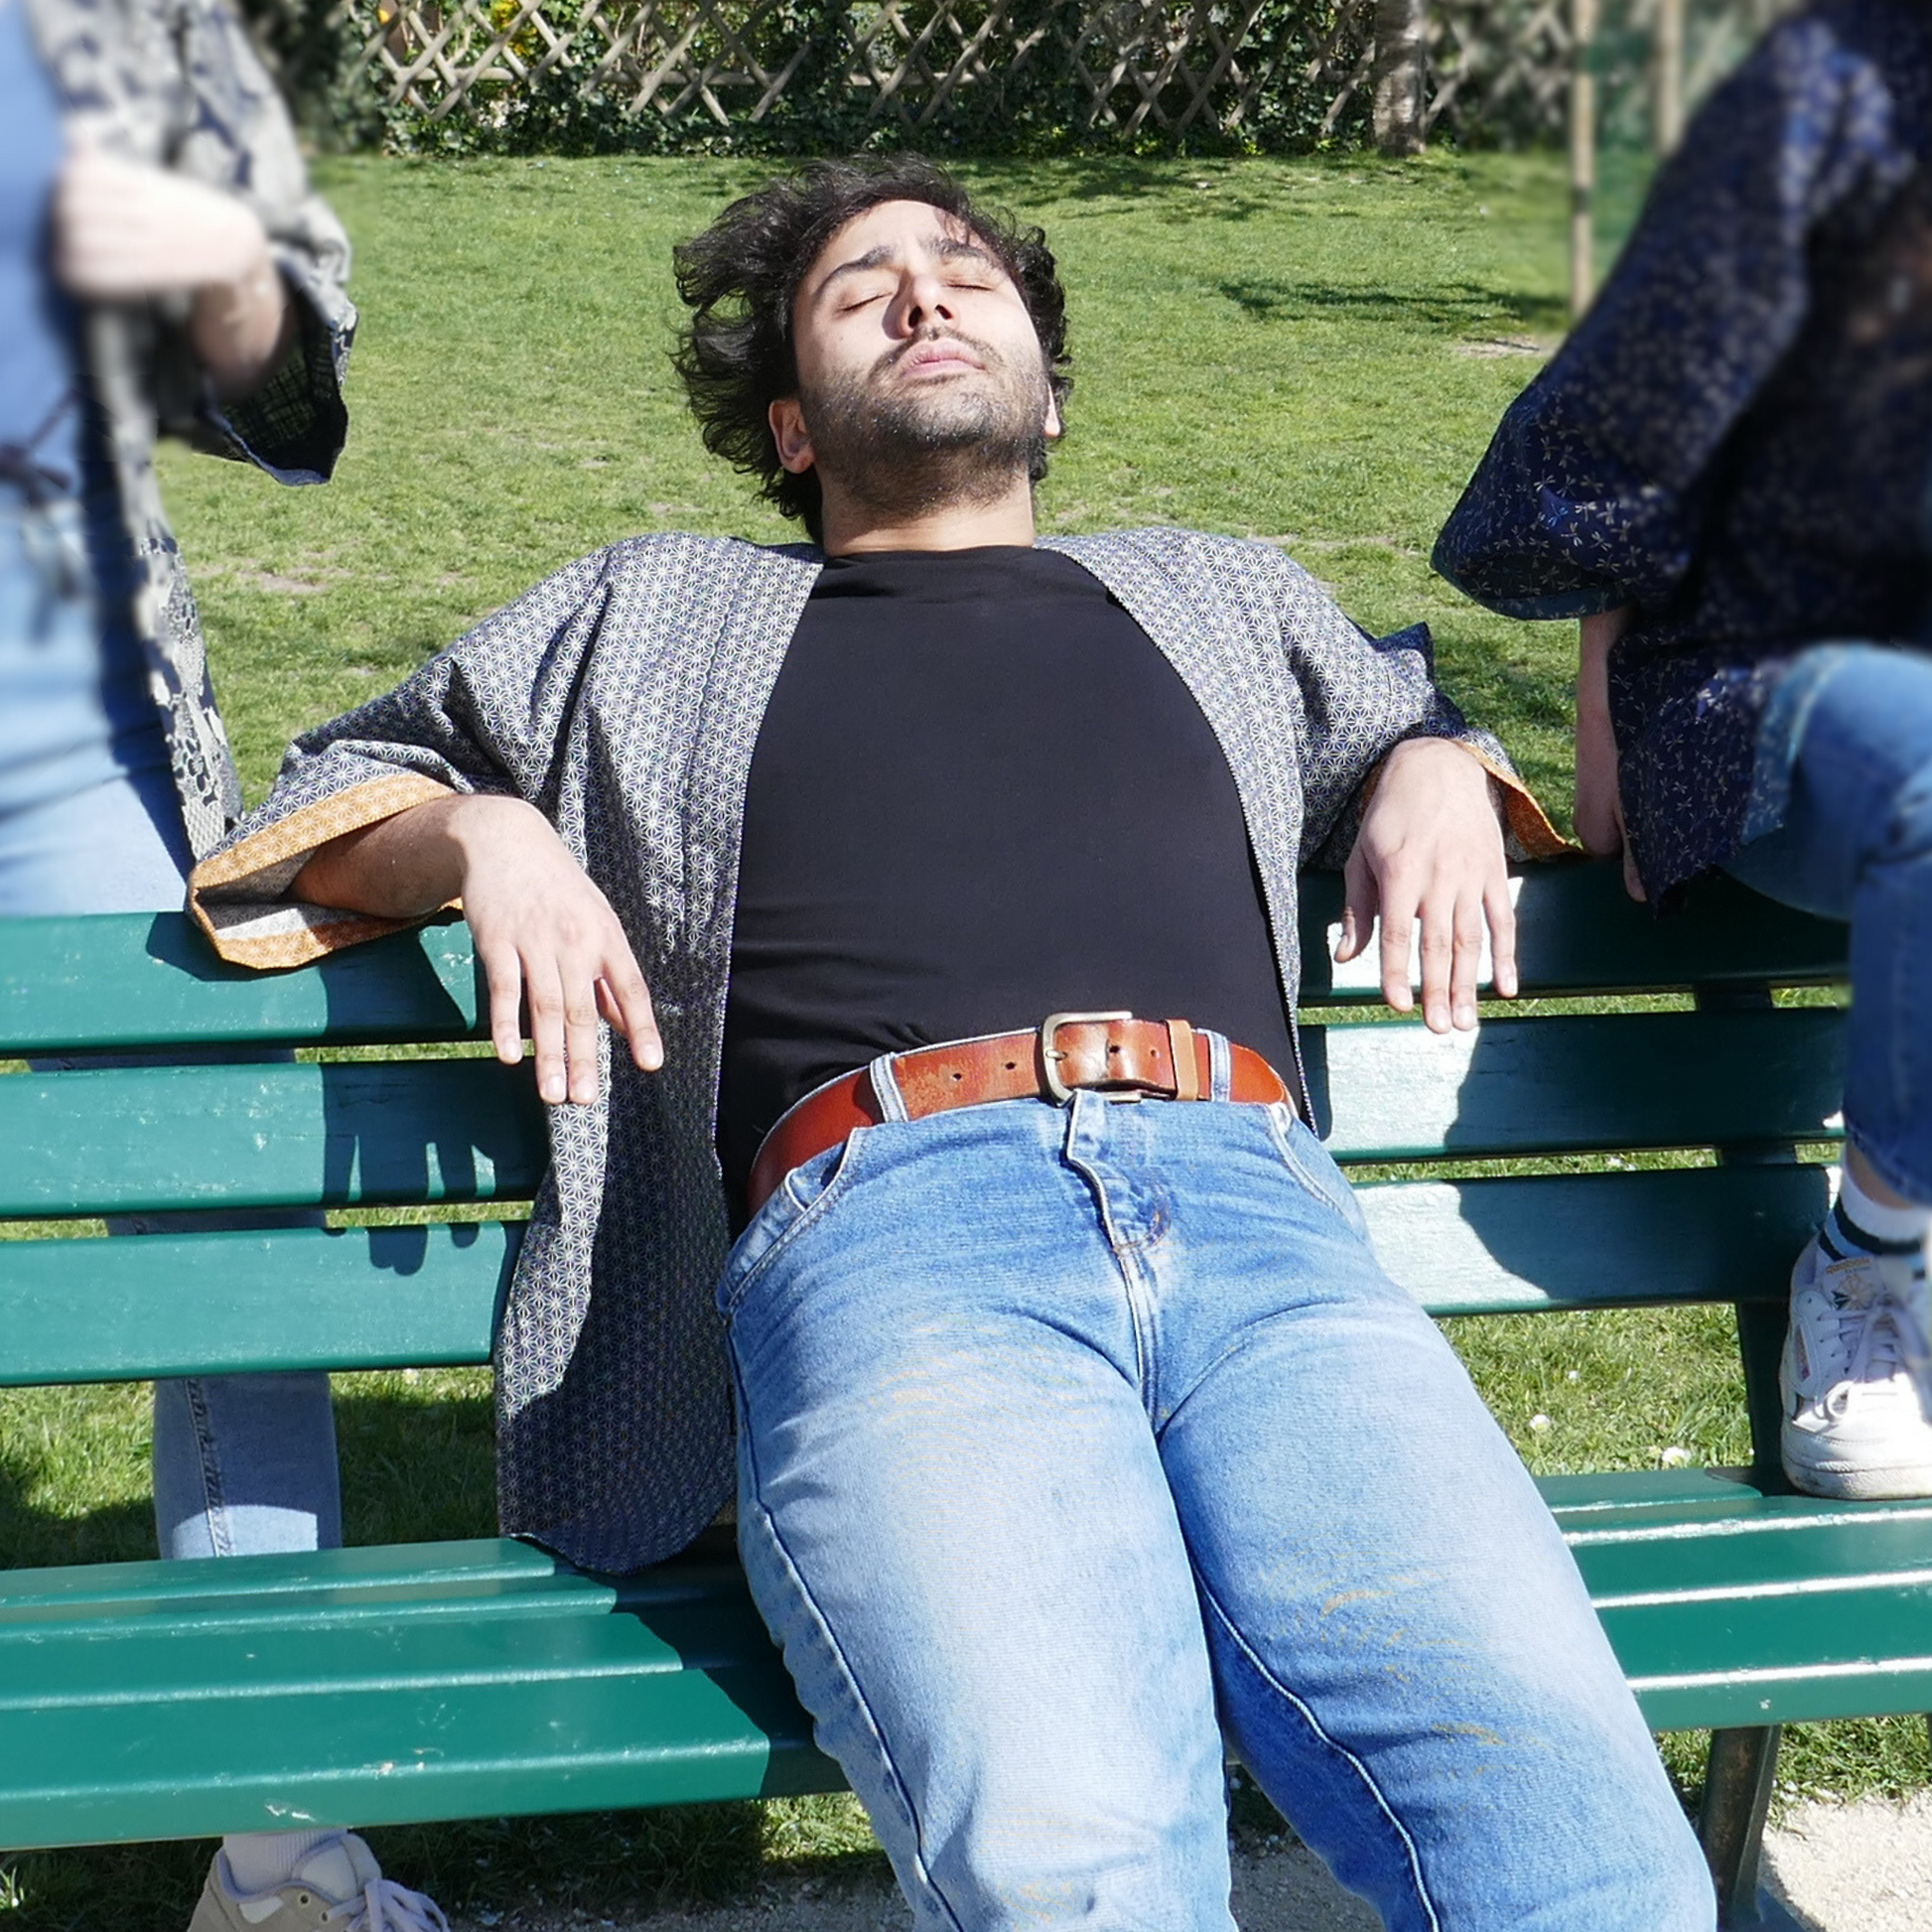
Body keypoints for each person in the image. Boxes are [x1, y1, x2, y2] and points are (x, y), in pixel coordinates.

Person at [189, 156, 1715, 1931]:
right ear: (787, 427)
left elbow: (1404, 717)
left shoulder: (1211, 588)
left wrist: (1437, 762)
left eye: (963, 273)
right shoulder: (651, 609)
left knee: (1585, 1853)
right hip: (901, 1242)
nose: (923, 296)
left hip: (1269, 1237)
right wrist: (486, 838)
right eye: (861, 289)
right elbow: (320, 805)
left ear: (1048, 388)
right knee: (1082, 1871)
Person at [3, 1, 444, 1924]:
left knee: (226, 1243)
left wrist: (218, 273)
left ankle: (281, 1863)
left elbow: (298, 384)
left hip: (61, 747)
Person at [1434, 0, 1932, 1504]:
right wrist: (1608, 671)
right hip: (1777, 674)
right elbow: (1585, 455)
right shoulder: (1836, 89)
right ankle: (1871, 1260)